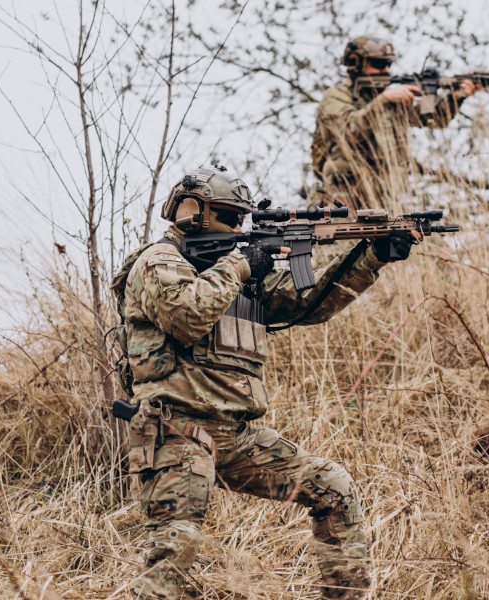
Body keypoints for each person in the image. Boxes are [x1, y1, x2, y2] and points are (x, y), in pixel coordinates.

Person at [111, 167, 420, 599]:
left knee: (333, 487)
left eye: (242, 218)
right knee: (176, 545)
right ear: (193, 213)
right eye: (230, 217)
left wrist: (371, 256)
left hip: (235, 437)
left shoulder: (231, 272)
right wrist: (239, 265)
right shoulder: (158, 262)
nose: (239, 227)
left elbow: (306, 304)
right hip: (175, 431)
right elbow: (185, 315)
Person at [311, 35, 478, 210]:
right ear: (356, 63)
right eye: (378, 64)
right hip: (344, 196)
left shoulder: (393, 98)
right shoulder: (335, 97)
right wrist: (383, 101)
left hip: (386, 195)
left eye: (388, 64)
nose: (385, 69)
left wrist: (456, 97)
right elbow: (348, 132)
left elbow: (434, 118)